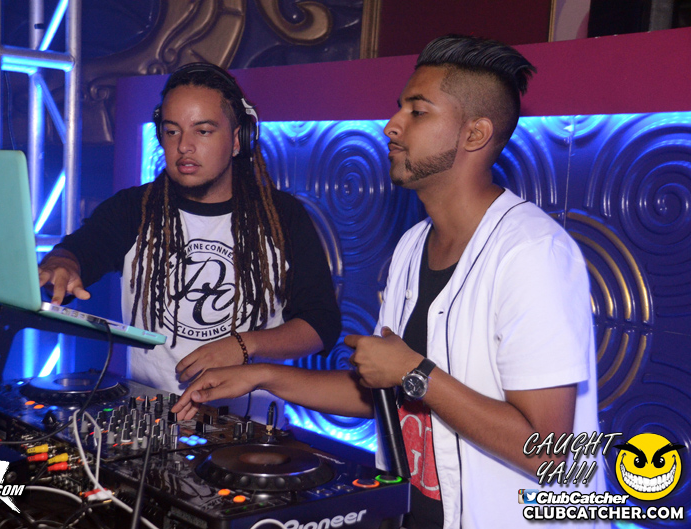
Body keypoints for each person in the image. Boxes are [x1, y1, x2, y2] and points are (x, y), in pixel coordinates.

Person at [172, 36, 606, 529]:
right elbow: (383, 390)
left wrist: (414, 372)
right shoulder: (413, 245)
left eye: (417, 112)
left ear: (475, 133)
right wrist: (262, 375)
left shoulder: (533, 253)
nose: (391, 126)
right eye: (400, 108)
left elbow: (550, 452)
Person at [38, 64, 341, 417]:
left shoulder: (282, 215)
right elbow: (78, 252)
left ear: (238, 140)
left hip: (251, 432)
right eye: (172, 131)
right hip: (150, 421)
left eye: (203, 131)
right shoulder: (134, 209)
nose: (184, 146)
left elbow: (321, 324)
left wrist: (243, 345)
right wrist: (62, 263)